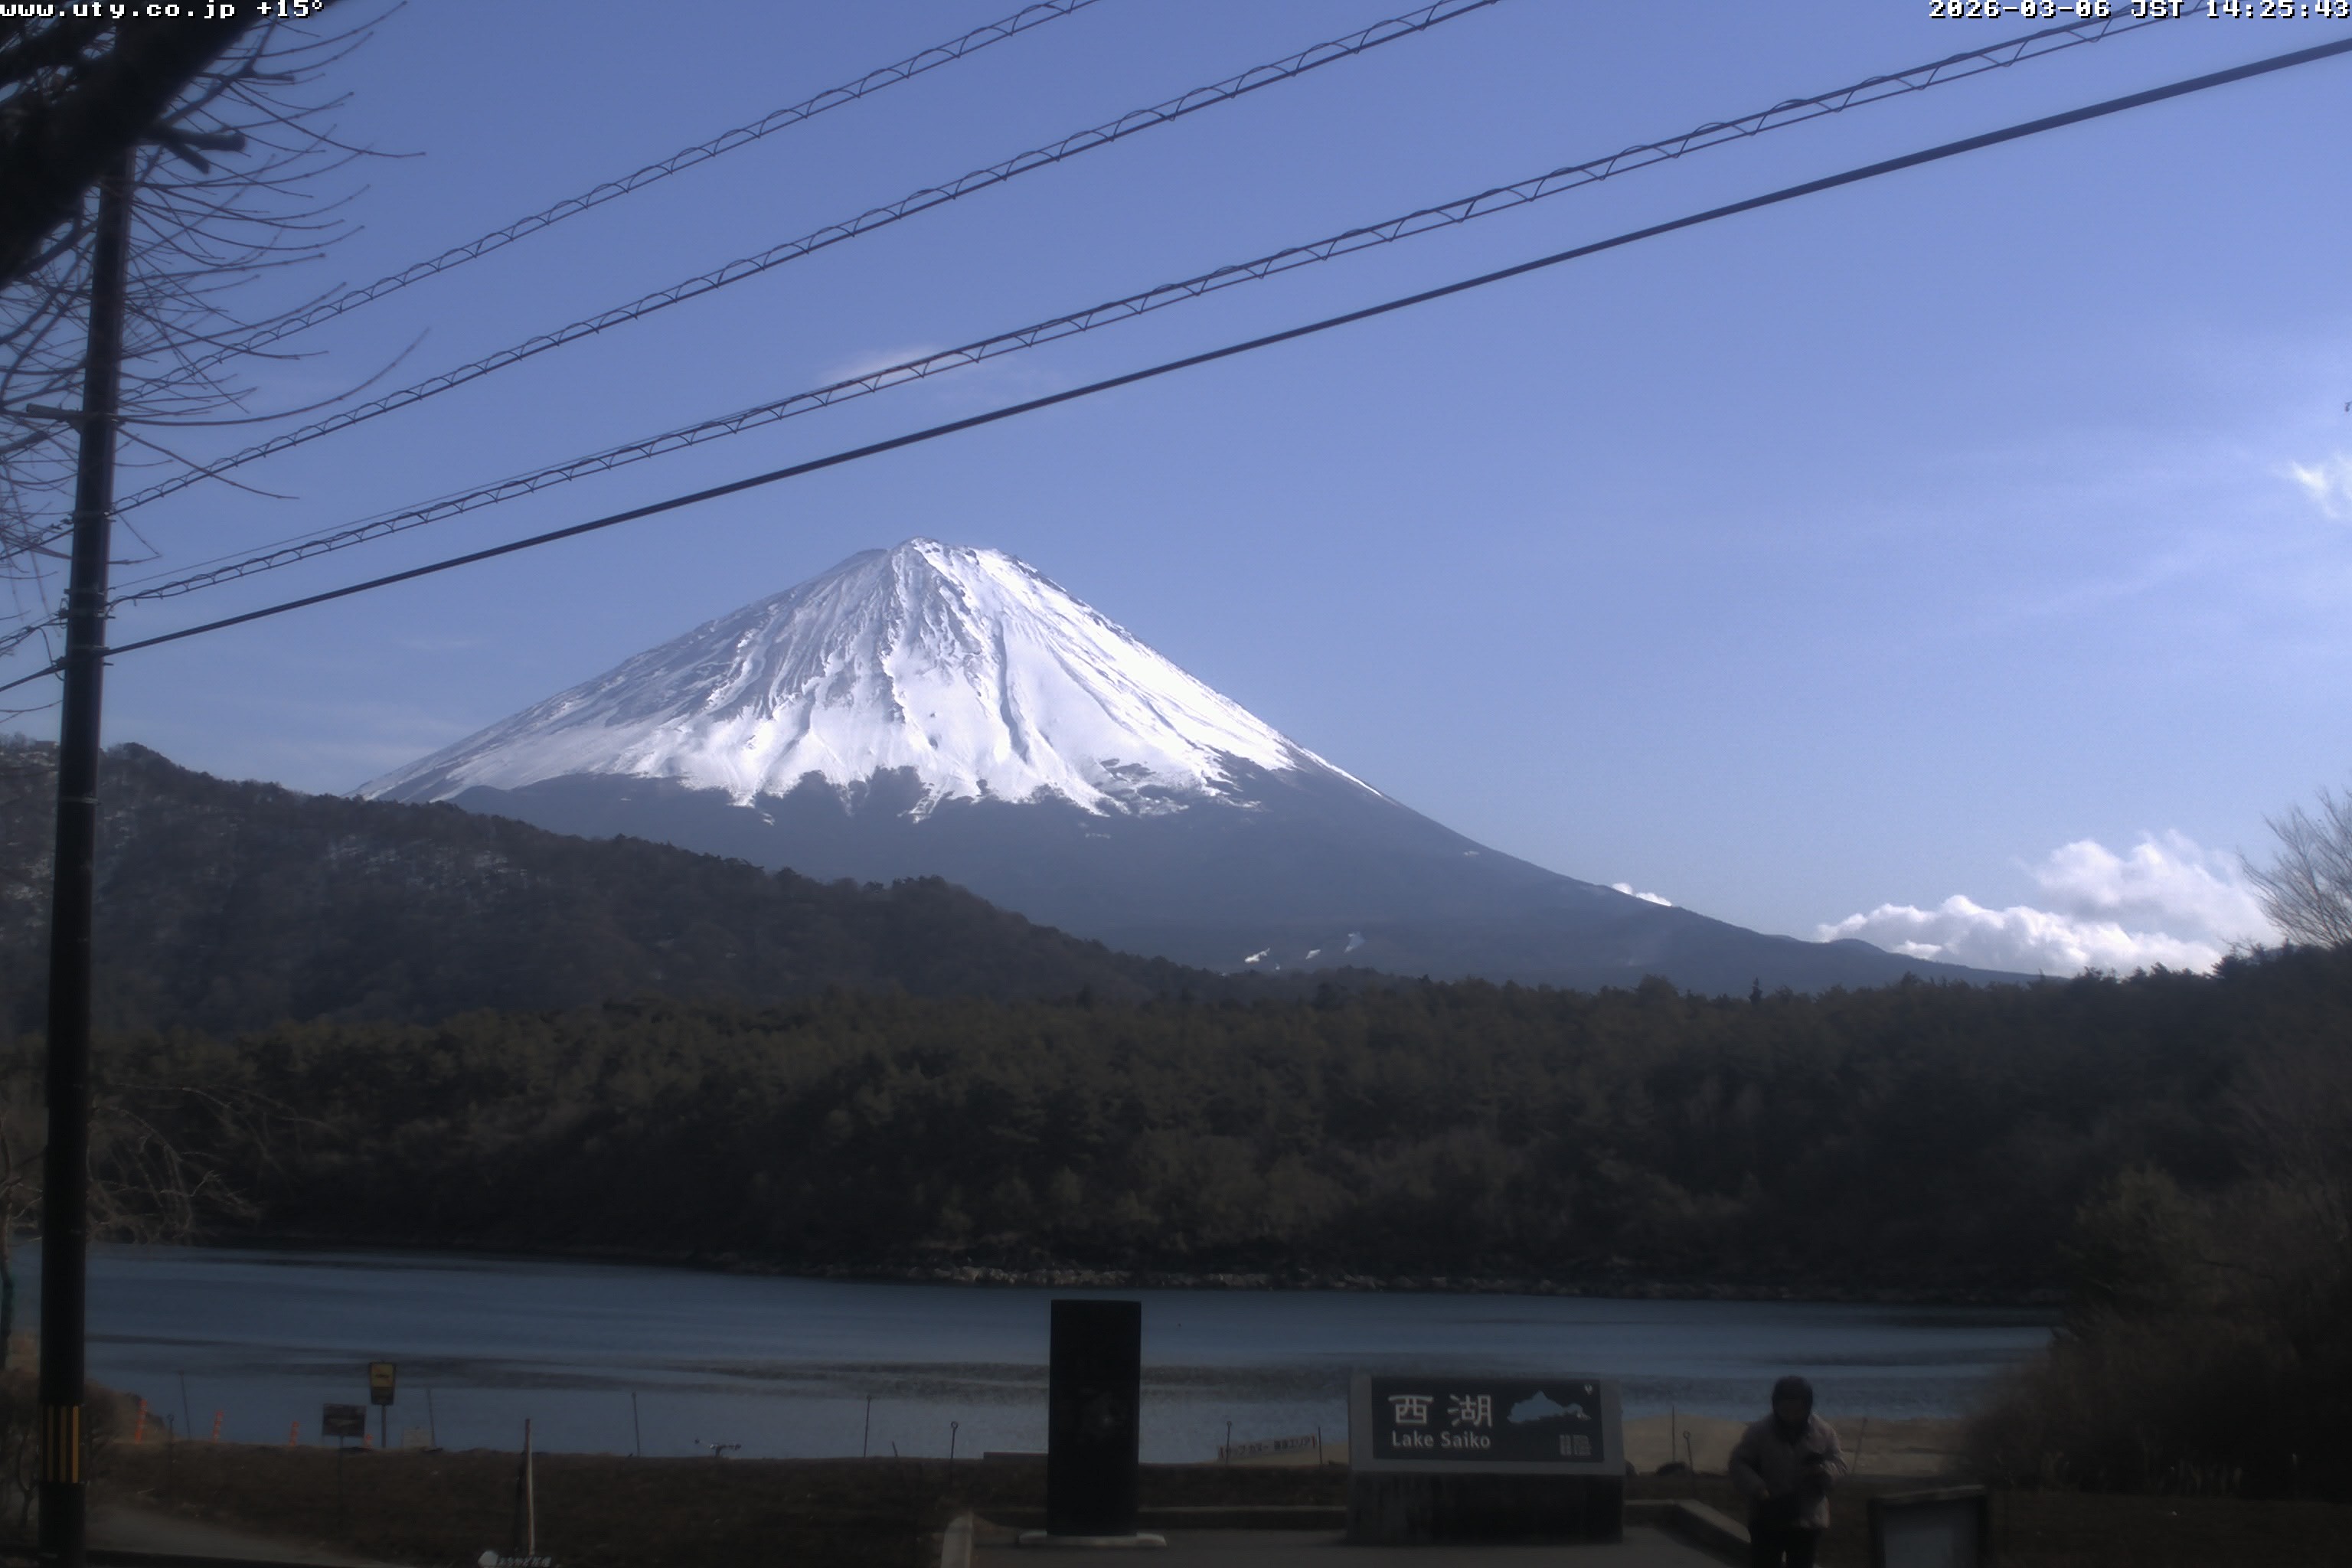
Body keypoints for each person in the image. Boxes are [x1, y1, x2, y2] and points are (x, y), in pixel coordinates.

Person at [1728, 1374, 1847, 1568]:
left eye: (1797, 1411)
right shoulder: (1759, 1432)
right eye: (1785, 1411)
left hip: (1809, 1518)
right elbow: (1738, 1463)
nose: (1791, 1417)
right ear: (1776, 1406)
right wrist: (1758, 1488)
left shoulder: (1824, 1432)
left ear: (1807, 1407)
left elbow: (1840, 1464)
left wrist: (1823, 1471)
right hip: (1767, 1515)